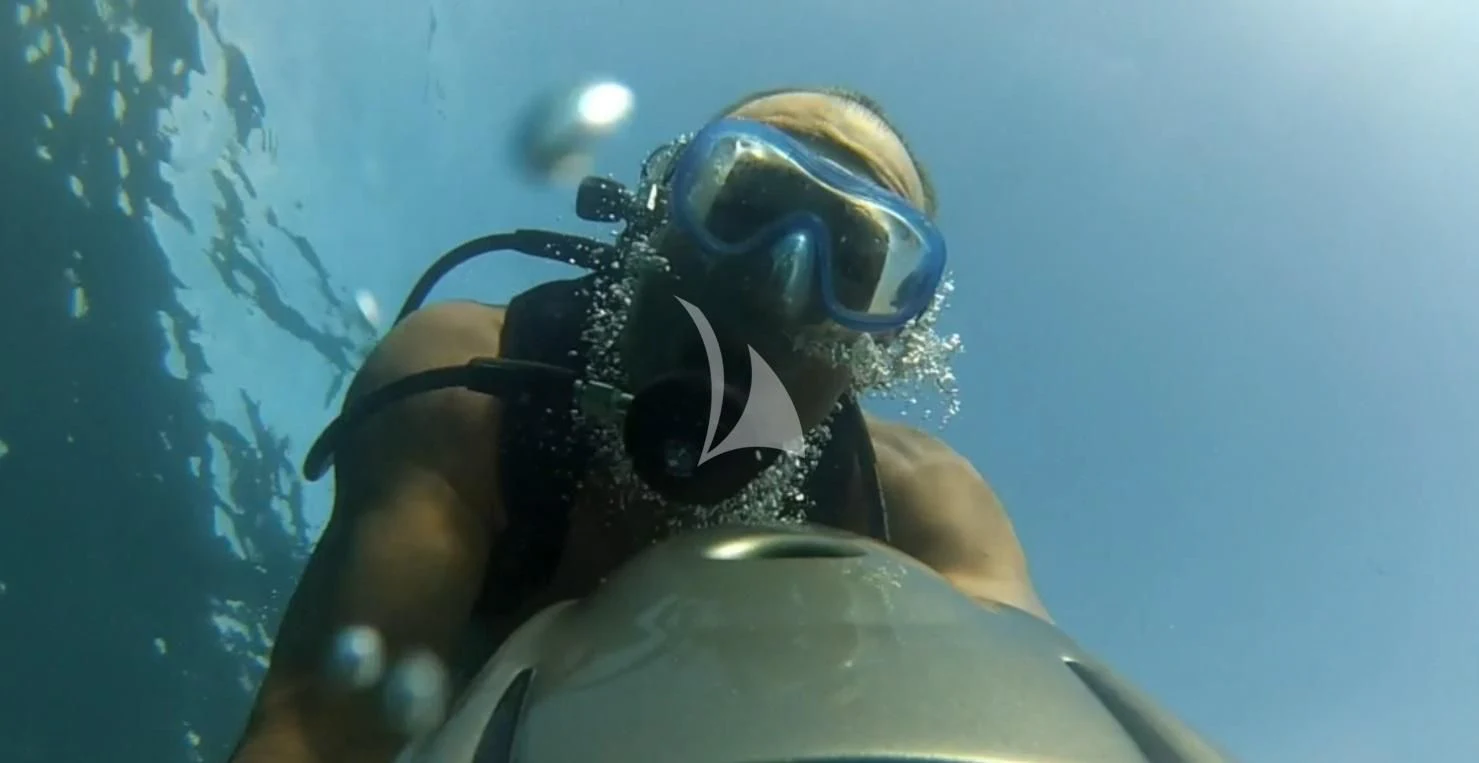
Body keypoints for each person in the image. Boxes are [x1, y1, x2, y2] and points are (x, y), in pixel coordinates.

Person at [229, 87, 1050, 763]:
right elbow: (320, 734)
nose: (780, 278)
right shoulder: (468, 393)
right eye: (747, 204)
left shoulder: (916, 510)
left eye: (855, 259)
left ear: (884, 343)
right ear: (658, 212)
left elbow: (1042, 708)